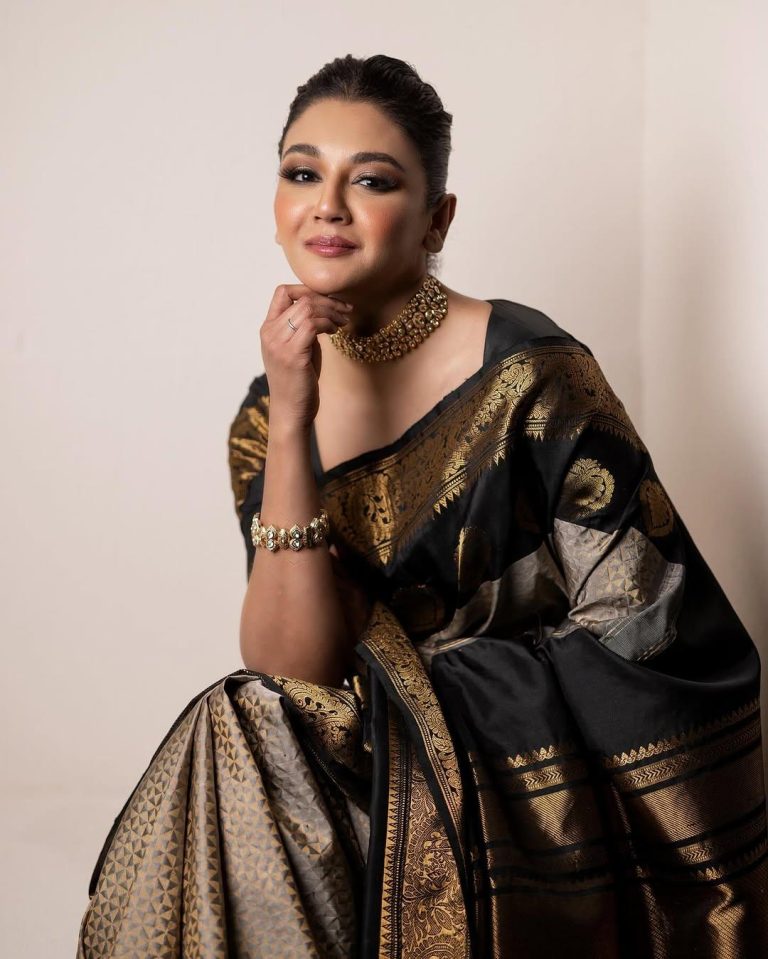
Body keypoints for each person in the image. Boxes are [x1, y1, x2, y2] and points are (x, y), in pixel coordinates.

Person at [77, 54, 768, 959]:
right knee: (235, 722)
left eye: (371, 180)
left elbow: (645, 626)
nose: (328, 205)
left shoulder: (528, 372)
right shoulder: (265, 414)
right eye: (302, 173)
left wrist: (424, 707)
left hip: (527, 779)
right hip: (361, 761)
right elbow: (291, 670)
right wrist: (292, 421)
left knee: (247, 732)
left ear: (437, 218)